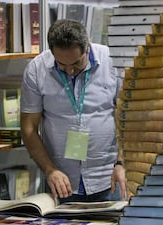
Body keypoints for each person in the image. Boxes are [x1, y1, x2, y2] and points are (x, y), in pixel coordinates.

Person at [20, 19, 126, 203]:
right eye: (62, 64)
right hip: (61, 181)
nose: (70, 71)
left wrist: (123, 163)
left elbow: (129, 119)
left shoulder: (114, 63)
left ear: (88, 47)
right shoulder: (36, 70)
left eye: (77, 63)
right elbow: (29, 127)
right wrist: (50, 170)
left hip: (108, 177)